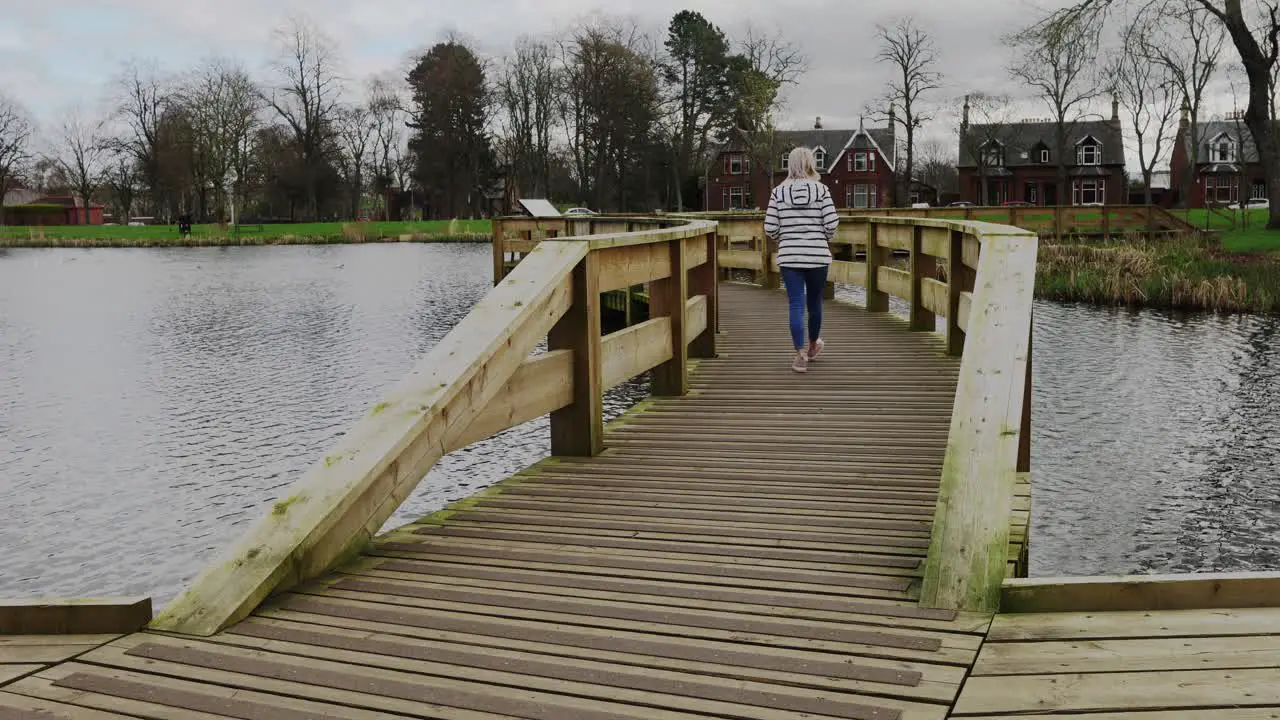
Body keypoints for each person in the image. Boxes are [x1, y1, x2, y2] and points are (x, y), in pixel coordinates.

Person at [763, 146, 839, 373]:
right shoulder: (822, 190)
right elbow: (831, 224)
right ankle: (813, 346)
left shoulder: (778, 192)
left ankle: (799, 356)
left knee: (796, 304)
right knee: (815, 303)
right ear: (809, 164)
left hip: (790, 257)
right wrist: (823, 237)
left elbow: (770, 227)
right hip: (817, 255)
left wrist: (784, 238)